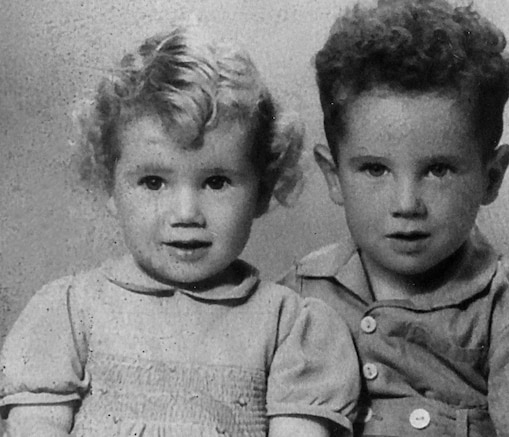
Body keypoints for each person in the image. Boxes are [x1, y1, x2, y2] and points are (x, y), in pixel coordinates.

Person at [0, 26, 360, 437]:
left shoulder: (289, 326)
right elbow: (35, 426)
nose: (186, 213)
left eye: (217, 182)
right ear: (110, 187)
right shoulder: (68, 311)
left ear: (262, 189)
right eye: (153, 182)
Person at [283, 0, 509, 437]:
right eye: (374, 169)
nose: (406, 204)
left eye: (438, 170)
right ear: (333, 176)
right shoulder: (297, 296)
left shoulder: (507, 310)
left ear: (492, 176)